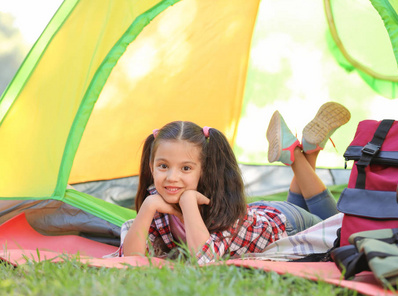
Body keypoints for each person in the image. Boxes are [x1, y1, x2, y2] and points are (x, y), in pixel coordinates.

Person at [120, 101, 350, 264]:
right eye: (163, 166)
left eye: (186, 168)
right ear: (151, 167)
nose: (172, 177)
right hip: (261, 212)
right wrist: (148, 206)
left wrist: (189, 201)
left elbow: (203, 260)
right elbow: (130, 259)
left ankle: (299, 157)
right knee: (333, 221)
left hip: (285, 222)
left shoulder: (221, 211)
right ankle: (307, 152)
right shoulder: (157, 203)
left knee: (340, 226)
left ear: (205, 170)